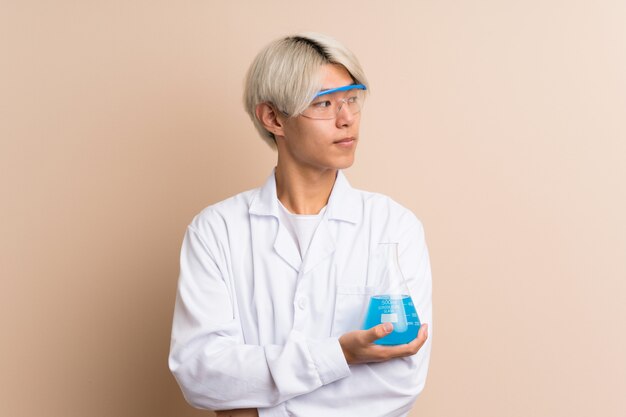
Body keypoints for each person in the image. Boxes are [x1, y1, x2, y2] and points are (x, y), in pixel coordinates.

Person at [169, 33, 432, 417]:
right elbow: (200, 373)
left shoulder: (394, 226)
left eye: (351, 101)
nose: (346, 120)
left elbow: (399, 384)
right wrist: (340, 355)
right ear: (274, 118)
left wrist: (257, 411)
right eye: (324, 103)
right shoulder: (216, 232)